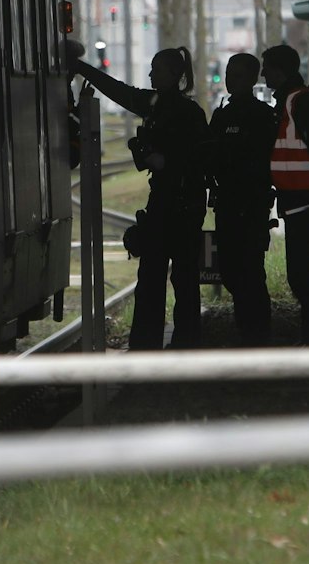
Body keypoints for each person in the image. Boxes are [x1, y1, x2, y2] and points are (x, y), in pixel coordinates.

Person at [64, 40, 208, 349]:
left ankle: (163, 344)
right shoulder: (157, 103)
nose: (151, 76)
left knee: (173, 279)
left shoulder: (186, 112)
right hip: (167, 203)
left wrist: (165, 162)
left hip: (182, 204)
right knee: (164, 280)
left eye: (156, 70)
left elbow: (198, 157)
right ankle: (171, 343)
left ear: (173, 74)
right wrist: (81, 69)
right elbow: (119, 90)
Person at [261, 44, 309, 344]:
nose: (262, 72)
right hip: (300, 196)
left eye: (266, 66)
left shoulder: (298, 102)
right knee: (302, 268)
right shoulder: (292, 100)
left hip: (306, 196)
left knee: (302, 270)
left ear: (281, 71)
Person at [203, 53, 277, 346]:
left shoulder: (262, 115)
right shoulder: (222, 114)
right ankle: (247, 327)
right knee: (231, 270)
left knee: (251, 269)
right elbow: (209, 152)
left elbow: (265, 160)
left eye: (238, 75)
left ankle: (256, 332)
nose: (231, 79)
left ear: (252, 78)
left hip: (253, 203)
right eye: (228, 73)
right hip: (227, 202)